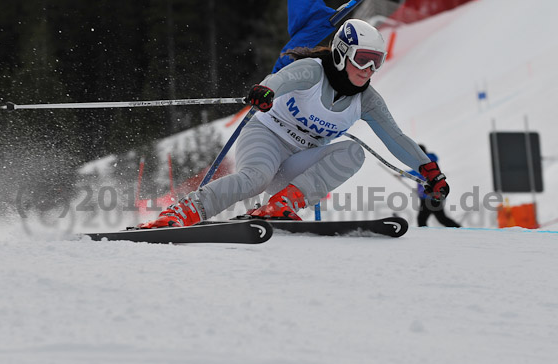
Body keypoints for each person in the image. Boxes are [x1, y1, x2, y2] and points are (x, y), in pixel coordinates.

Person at [138, 19, 450, 229]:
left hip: (299, 161)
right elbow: (282, 79)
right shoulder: (314, 71)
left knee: (354, 152)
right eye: (362, 58)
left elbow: (394, 137)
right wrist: (266, 91)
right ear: (342, 53)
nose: (368, 69)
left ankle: (279, 206)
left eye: (376, 61)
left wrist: (428, 171)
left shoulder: (366, 100)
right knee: (255, 178)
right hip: (267, 137)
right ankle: (181, 213)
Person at [410, 144, 460, 228]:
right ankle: (459, 228)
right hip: (433, 196)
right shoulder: (430, 161)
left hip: (429, 196)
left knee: (422, 219)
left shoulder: (425, 162)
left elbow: (416, 172)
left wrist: (401, 174)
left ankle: (423, 235)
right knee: (441, 218)